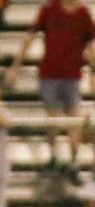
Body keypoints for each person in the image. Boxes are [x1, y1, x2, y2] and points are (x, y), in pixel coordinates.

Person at [6, 0, 95, 183]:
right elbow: (30, 37)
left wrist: (93, 71)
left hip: (72, 74)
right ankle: (54, 155)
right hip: (49, 73)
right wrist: (16, 65)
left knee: (74, 118)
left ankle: (73, 160)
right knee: (52, 116)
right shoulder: (49, 10)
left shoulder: (83, 14)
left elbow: (91, 44)